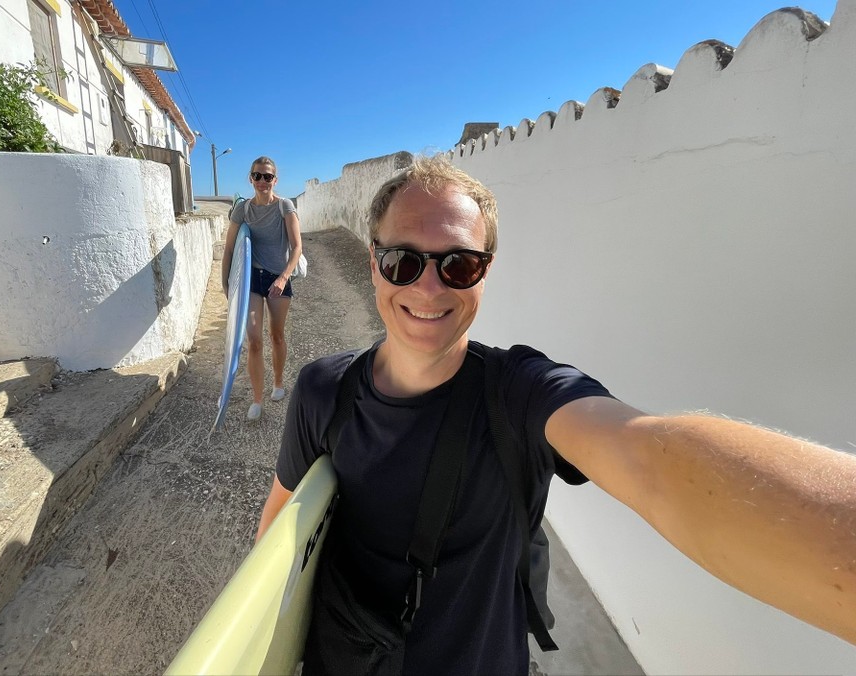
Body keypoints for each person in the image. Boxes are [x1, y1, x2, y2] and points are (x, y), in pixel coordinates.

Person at [256, 157, 856, 674]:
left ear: (486, 272)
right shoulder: (321, 391)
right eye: (404, 261)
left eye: (459, 265)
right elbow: (278, 540)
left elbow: (651, 461)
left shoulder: (521, 393)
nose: (431, 288)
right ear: (373, 264)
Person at [222, 156, 303, 421]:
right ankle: (257, 399)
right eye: (257, 176)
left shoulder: (285, 206)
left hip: (279, 276)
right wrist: (227, 285)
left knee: (277, 335)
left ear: (274, 180)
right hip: (252, 278)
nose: (262, 181)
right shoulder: (242, 210)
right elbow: (231, 248)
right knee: (254, 340)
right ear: (250, 178)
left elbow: (297, 247)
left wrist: (283, 278)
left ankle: (278, 382)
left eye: (267, 176)